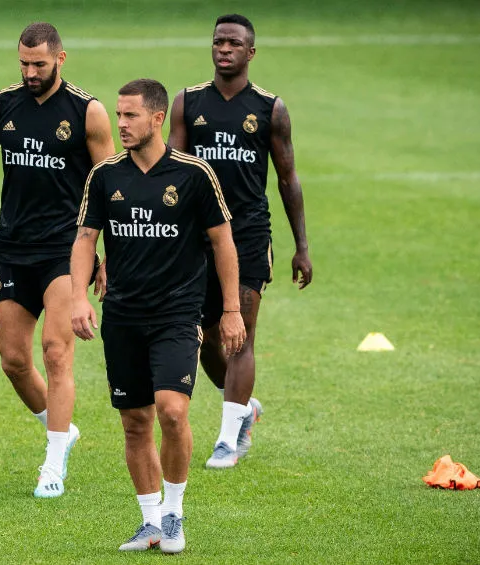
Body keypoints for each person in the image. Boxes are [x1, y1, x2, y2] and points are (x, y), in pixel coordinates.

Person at [0, 22, 114, 499]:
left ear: (61, 59)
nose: (30, 72)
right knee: (14, 361)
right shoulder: (1, 104)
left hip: (65, 250)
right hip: (13, 248)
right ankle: (62, 430)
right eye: (24, 63)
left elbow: (110, 185)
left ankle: (53, 463)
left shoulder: (88, 112)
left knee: (56, 352)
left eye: (39, 64)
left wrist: (109, 255)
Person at [71, 79, 245, 554]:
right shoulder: (104, 175)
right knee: (134, 422)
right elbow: (86, 239)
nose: (121, 124)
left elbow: (223, 241)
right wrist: (78, 297)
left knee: (172, 410)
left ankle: (173, 514)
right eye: (118, 115)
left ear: (157, 118)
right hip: (122, 315)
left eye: (130, 115)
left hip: (177, 313)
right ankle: (149, 521)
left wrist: (231, 309)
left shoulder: (194, 174)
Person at [167, 13, 313, 469]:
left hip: (248, 235)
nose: (224, 49)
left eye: (233, 43)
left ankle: (228, 440)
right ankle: (243, 409)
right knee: (205, 339)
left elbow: (287, 178)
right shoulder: (188, 102)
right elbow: (172, 170)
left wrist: (301, 246)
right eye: (218, 42)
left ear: (251, 52)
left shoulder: (270, 109)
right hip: (197, 239)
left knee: (240, 336)